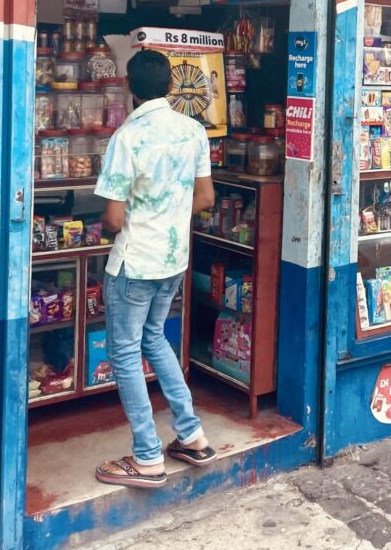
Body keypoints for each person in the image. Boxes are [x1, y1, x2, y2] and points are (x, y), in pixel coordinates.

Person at [93, 48, 217, 488]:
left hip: (135, 260)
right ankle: (192, 436)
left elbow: (112, 217)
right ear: (169, 85)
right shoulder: (193, 130)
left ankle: (147, 457)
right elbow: (205, 199)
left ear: (129, 87)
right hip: (173, 257)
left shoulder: (127, 137)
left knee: (125, 352)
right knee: (154, 338)